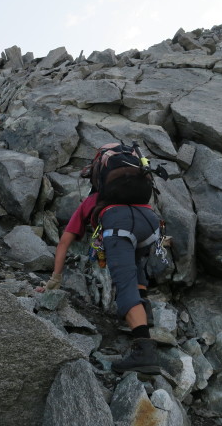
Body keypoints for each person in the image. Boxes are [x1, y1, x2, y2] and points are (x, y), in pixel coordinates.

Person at [38, 149, 161, 374]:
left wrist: (54, 279)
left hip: (119, 224)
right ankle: (144, 309)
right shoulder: (137, 193)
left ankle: (144, 351)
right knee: (136, 261)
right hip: (150, 222)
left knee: (124, 282)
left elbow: (65, 242)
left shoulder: (92, 201)